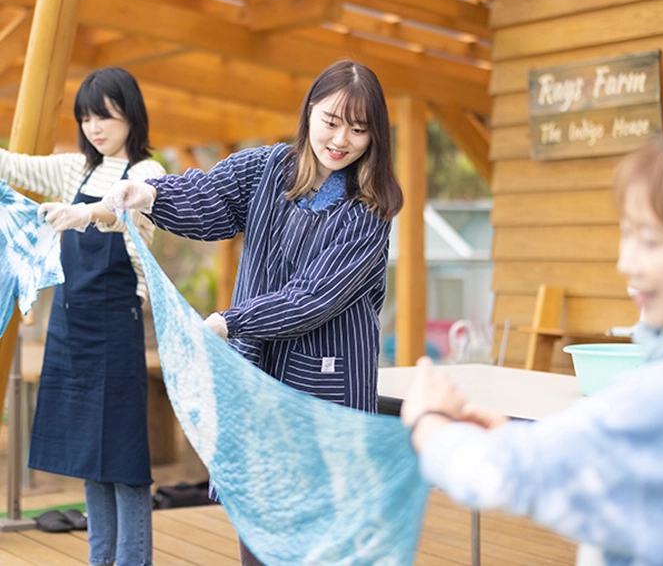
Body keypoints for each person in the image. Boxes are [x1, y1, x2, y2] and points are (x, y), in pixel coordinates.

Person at [103, 58, 404, 566]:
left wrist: (230, 321)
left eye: (359, 129)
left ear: (375, 136)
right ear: (309, 112)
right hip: (255, 377)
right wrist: (151, 194)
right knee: (256, 523)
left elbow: (312, 297)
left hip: (324, 390)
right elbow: (210, 197)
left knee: (315, 534)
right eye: (331, 121)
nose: (341, 140)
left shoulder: (369, 212)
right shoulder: (268, 168)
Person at [401, 126, 663, 566]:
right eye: (626, 234)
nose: (624, 262)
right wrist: (520, 438)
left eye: (650, 240)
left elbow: (507, 474)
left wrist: (430, 422)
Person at [0, 67, 165, 566]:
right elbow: (13, 167)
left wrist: (87, 213)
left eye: (106, 115)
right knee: (90, 459)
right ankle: (101, 560)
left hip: (118, 323)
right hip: (71, 325)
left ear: (130, 114)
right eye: (87, 117)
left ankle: (132, 560)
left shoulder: (147, 174)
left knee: (125, 459)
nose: (96, 127)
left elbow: (128, 215)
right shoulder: (73, 169)